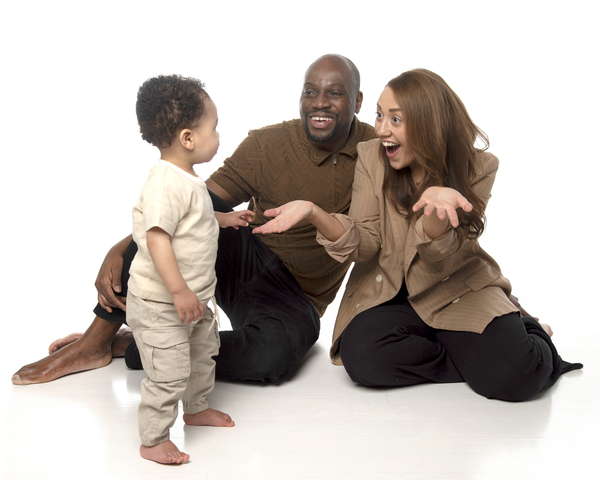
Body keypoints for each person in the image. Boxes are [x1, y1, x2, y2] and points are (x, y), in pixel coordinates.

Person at [11, 54, 378, 385]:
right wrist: (122, 246)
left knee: (273, 355)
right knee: (182, 211)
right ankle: (94, 342)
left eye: (335, 93)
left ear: (357, 101)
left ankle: (141, 346)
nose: (319, 103)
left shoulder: (376, 155)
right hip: (244, 257)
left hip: (296, 298)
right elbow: (189, 201)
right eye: (310, 91)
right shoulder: (269, 144)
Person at [253, 69, 582, 401]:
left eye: (395, 120)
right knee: (364, 361)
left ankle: (531, 333)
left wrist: (436, 215)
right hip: (391, 294)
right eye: (380, 116)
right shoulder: (371, 157)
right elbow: (365, 242)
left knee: (515, 378)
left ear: (428, 123)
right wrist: (314, 212)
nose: (381, 129)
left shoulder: (479, 167)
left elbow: (440, 255)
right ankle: (474, 358)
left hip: (457, 289)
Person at [127, 75, 254, 463]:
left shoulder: (188, 179)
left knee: (201, 356)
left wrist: (223, 219)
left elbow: (192, 219)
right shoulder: (165, 183)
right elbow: (158, 238)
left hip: (195, 299)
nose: (218, 136)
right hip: (163, 303)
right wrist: (180, 292)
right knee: (169, 372)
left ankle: (196, 409)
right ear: (187, 138)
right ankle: (153, 439)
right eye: (213, 129)